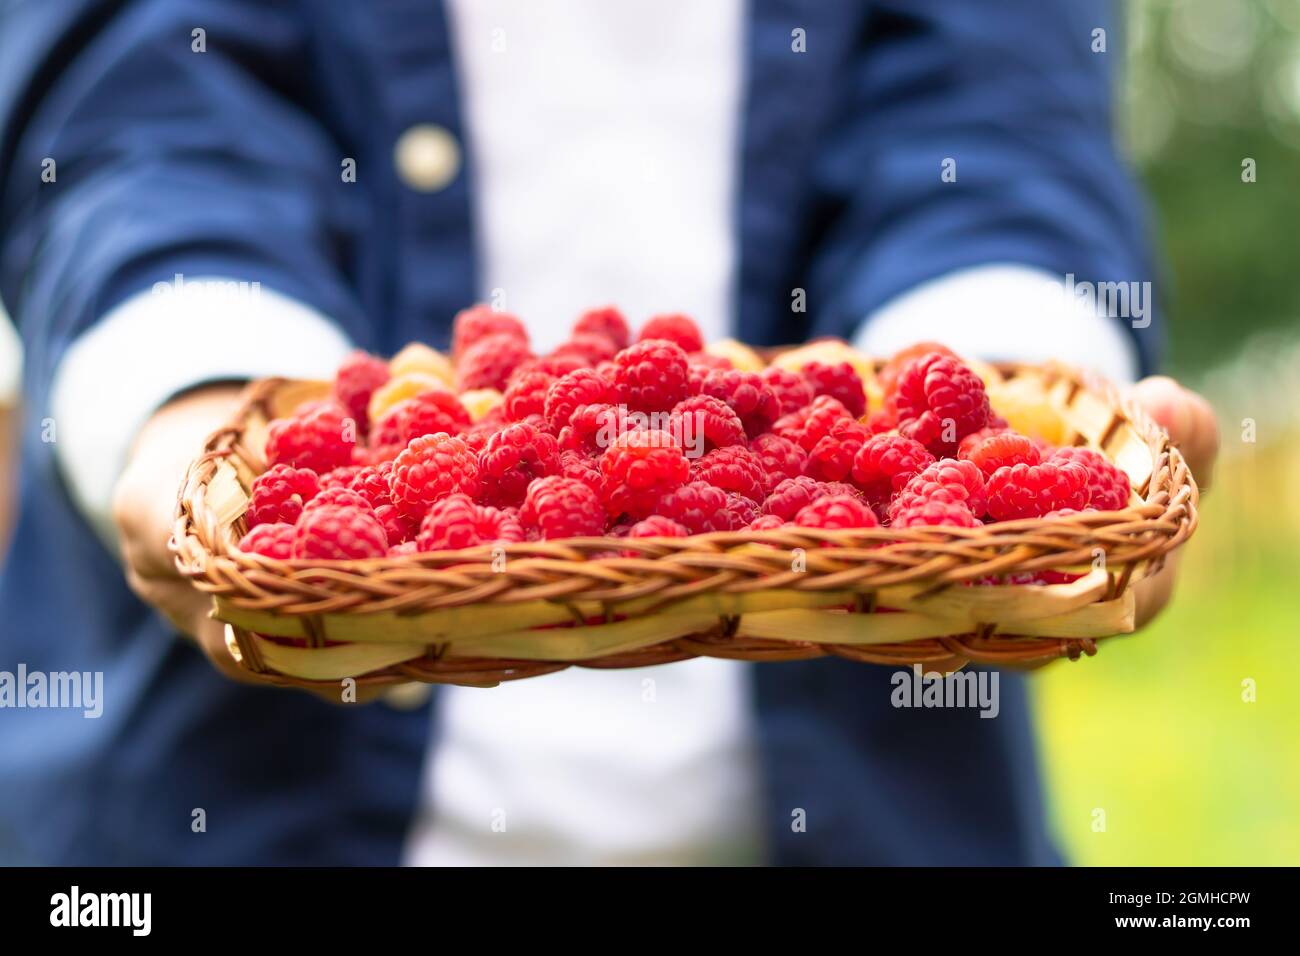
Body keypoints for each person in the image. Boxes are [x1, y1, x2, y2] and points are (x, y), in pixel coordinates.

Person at [0, 0, 1217, 865]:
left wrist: (1002, 387)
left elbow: (991, 123)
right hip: (221, 805)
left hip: (879, 813)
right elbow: (140, 114)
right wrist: (196, 387)